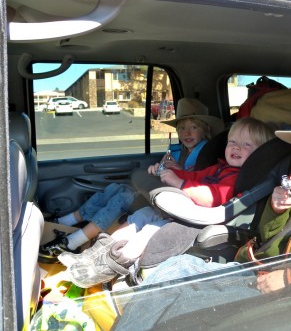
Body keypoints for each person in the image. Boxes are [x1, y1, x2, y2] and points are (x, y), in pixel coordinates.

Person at [111, 75, 291, 330]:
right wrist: (278, 210)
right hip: (256, 267)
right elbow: (269, 233)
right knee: (173, 268)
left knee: (179, 308)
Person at [57, 117, 275, 287]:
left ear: (259, 155)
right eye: (232, 142)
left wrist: (179, 184)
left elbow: (212, 196)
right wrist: (169, 172)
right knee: (138, 217)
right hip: (181, 210)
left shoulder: (237, 178)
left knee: (149, 229)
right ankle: (93, 256)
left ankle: (111, 265)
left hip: (194, 221)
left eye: (246, 144)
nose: (236, 147)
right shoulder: (220, 167)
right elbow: (196, 177)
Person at [39, 98, 224, 263]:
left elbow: (195, 183)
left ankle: (72, 242)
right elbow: (165, 171)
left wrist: (177, 171)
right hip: (160, 191)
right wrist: (156, 169)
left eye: (194, 127)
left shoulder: (205, 153)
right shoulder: (178, 150)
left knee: (122, 197)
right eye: (182, 127)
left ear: (206, 130)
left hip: (174, 201)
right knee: (114, 188)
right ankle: (66, 220)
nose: (186, 132)